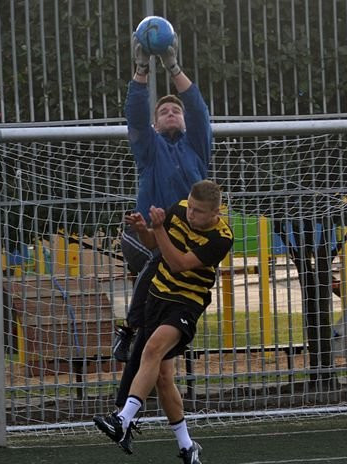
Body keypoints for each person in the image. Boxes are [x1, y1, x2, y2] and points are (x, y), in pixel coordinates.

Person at [94, 180, 233, 464]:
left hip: (186, 303)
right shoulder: (179, 209)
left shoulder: (223, 238)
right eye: (191, 207)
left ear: (216, 212)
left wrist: (158, 229)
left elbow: (180, 264)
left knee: (152, 348)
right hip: (157, 296)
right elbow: (154, 247)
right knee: (163, 376)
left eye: (199, 212)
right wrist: (146, 228)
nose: (192, 215)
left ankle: (123, 420)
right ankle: (186, 445)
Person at [110, 25, 212, 411]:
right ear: (156, 125)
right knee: (158, 257)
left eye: (176, 111)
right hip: (144, 237)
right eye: (164, 111)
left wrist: (172, 65)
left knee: (159, 360)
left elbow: (198, 108)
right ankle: (128, 329)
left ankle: (129, 412)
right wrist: (140, 69)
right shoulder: (149, 149)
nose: (171, 112)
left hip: (181, 250)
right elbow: (135, 116)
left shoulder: (197, 147)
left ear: (184, 123)